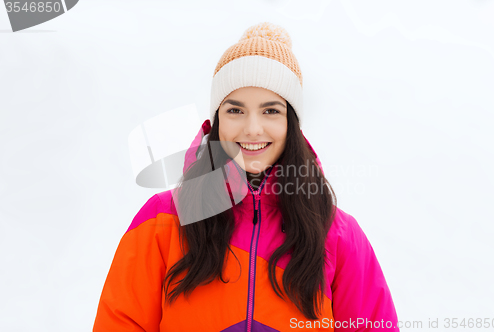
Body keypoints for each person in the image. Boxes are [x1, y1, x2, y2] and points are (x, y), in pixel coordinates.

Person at [93, 22, 400, 331]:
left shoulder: (337, 234)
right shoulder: (161, 220)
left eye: (271, 111)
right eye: (235, 111)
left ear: (291, 124)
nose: (253, 129)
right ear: (216, 121)